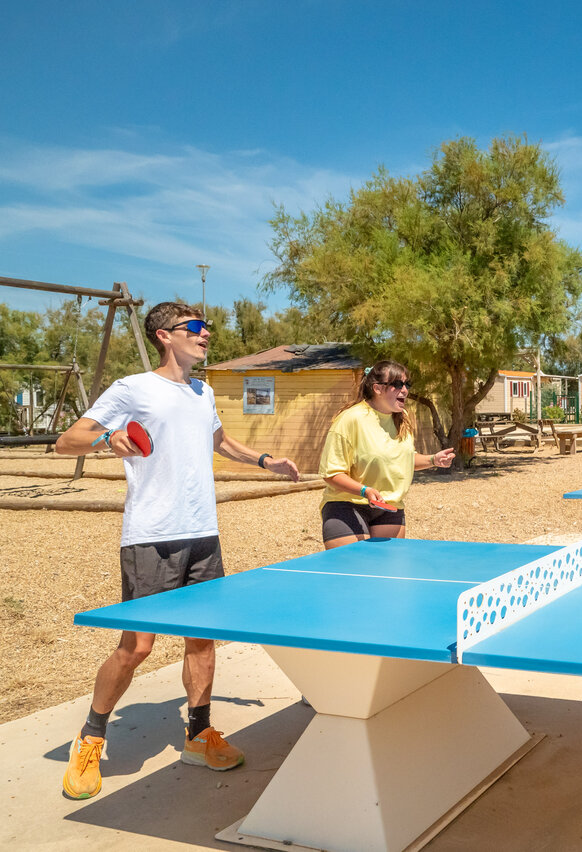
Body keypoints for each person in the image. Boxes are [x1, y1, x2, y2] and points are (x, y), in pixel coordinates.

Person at [54, 302, 300, 800]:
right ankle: (92, 736)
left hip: (202, 534)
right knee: (137, 647)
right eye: (195, 327)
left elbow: (220, 442)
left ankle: (198, 733)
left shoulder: (202, 390)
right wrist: (108, 437)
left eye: (207, 327)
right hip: (151, 536)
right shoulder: (133, 388)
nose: (206, 333)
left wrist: (266, 460)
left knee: (201, 641)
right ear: (166, 336)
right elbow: (66, 440)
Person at [318, 359, 455, 549]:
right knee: (353, 573)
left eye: (407, 384)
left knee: (386, 574)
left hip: (389, 507)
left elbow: (404, 460)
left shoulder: (403, 419)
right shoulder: (350, 419)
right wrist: (365, 491)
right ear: (377, 388)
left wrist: (433, 459)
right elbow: (331, 474)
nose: (405, 390)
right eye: (397, 384)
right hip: (347, 505)